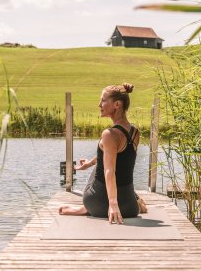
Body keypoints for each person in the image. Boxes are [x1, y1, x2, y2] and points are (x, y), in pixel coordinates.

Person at [58, 83, 147, 224]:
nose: (99, 104)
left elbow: (109, 170)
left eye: (103, 100)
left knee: (106, 167)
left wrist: (113, 205)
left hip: (98, 204)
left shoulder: (109, 134)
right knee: (110, 162)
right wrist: (90, 163)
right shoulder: (135, 132)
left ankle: (85, 208)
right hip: (130, 207)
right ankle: (134, 199)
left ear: (117, 104)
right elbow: (112, 154)